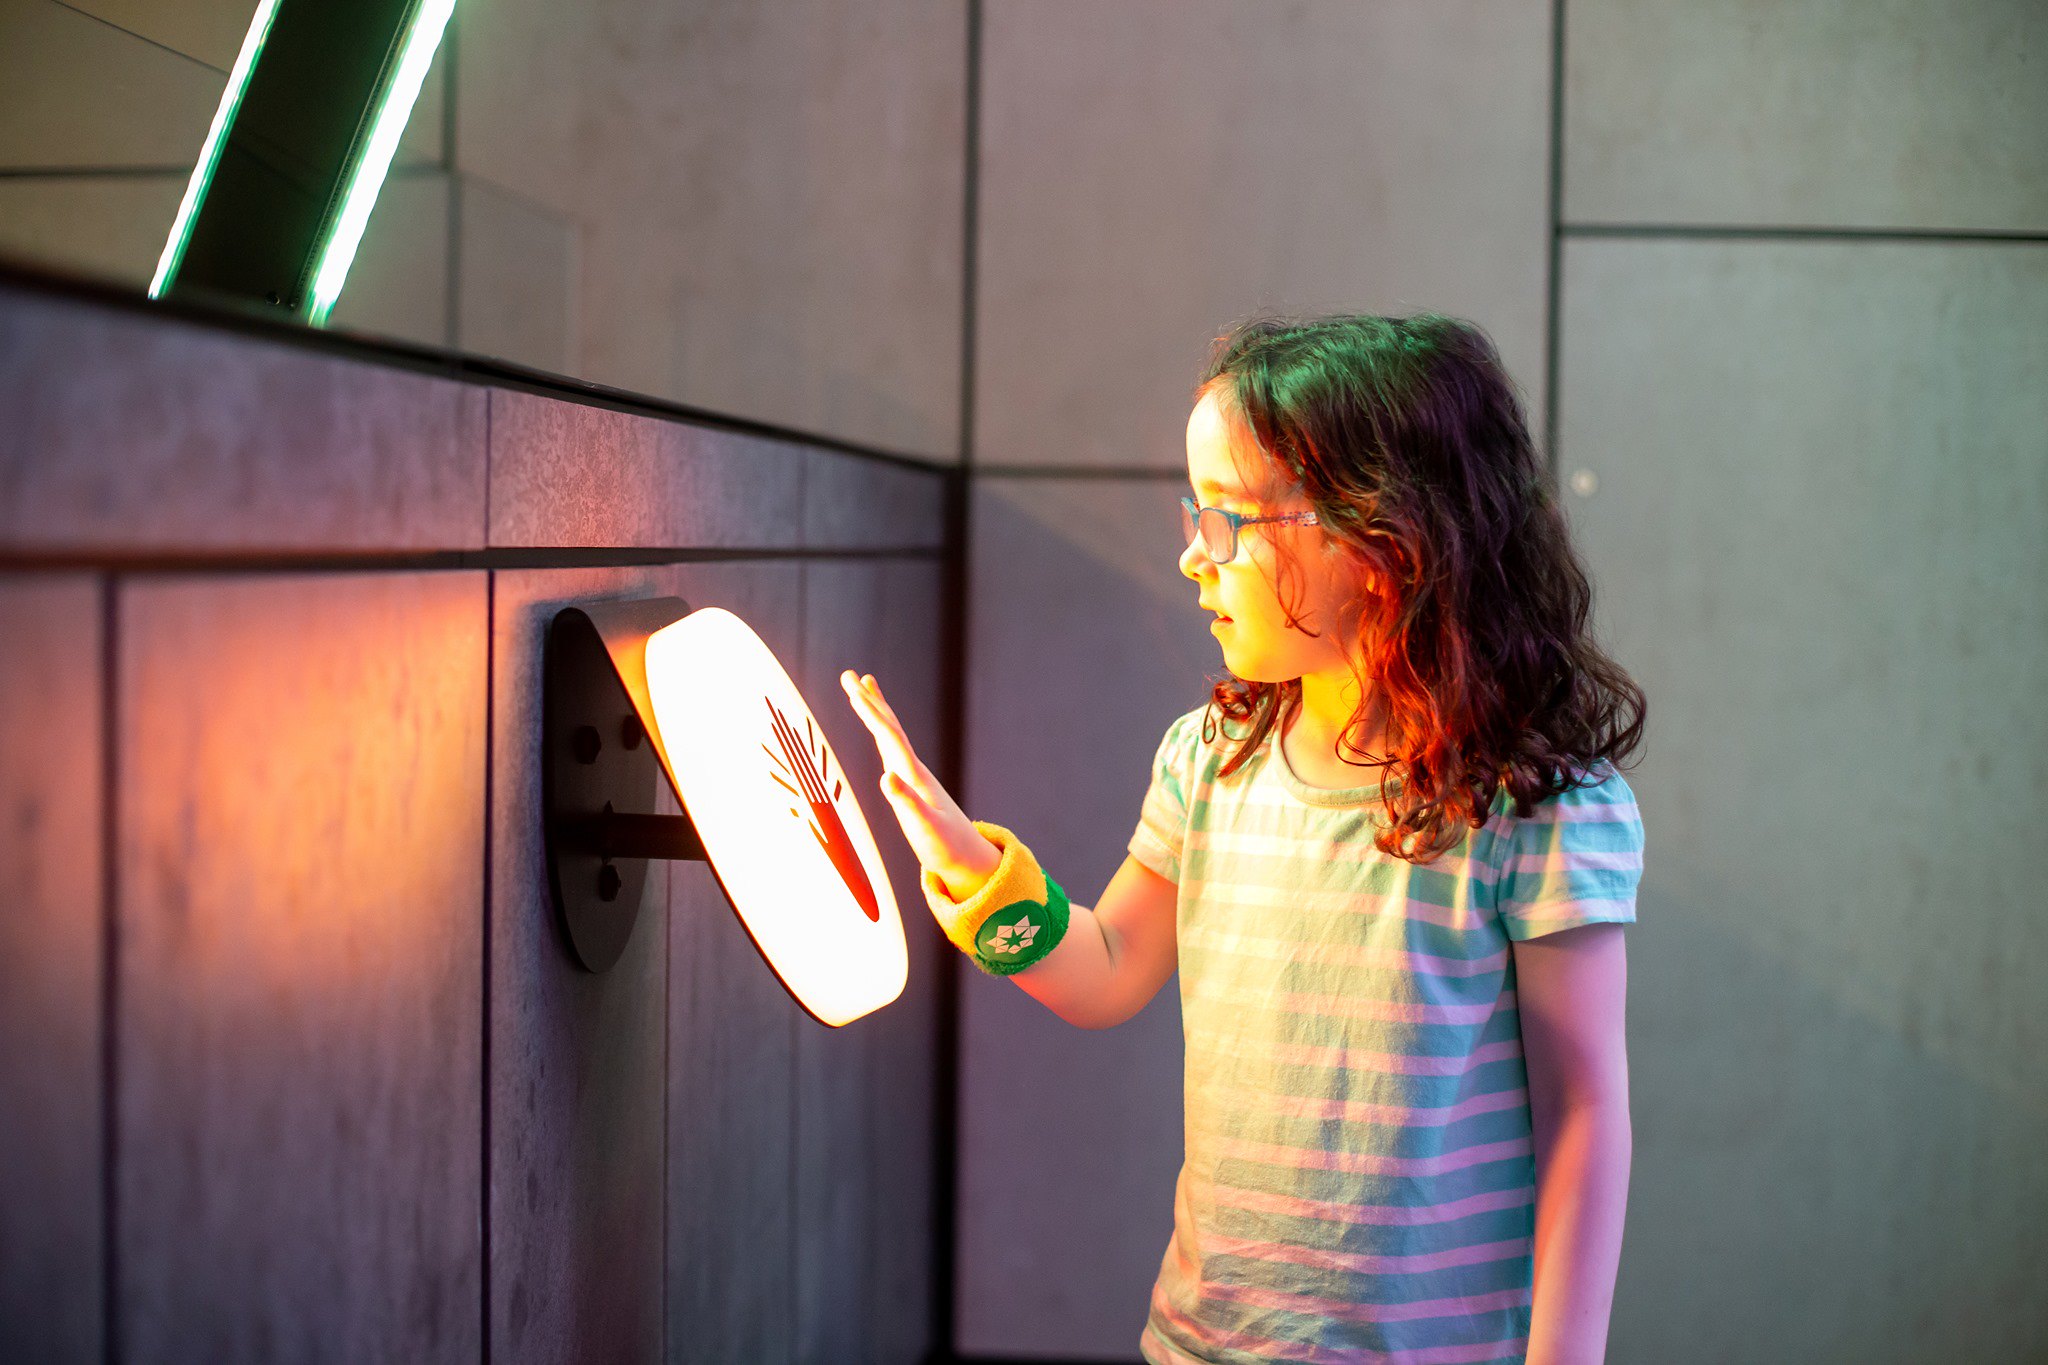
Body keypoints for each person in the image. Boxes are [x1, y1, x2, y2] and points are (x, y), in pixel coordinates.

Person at [841, 312, 1647, 1365]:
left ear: (1381, 542)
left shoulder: (1535, 806)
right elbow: (1109, 968)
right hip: (1197, 1344)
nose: (1190, 557)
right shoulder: (1209, 756)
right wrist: (972, 870)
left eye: (1225, 519)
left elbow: (1583, 1104)